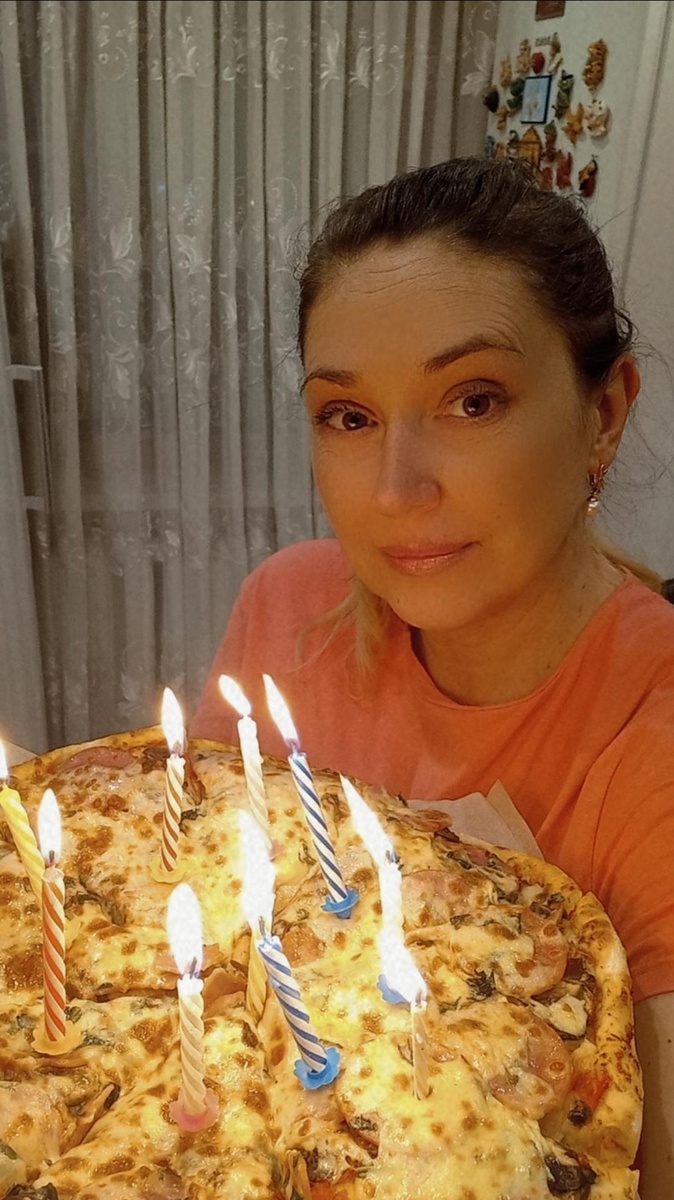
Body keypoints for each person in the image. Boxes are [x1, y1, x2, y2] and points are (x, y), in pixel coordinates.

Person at [192, 158, 674, 1197]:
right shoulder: (283, 607)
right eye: (348, 416)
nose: (394, 490)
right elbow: (186, 912)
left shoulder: (653, 742)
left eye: (472, 400)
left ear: (602, 412)